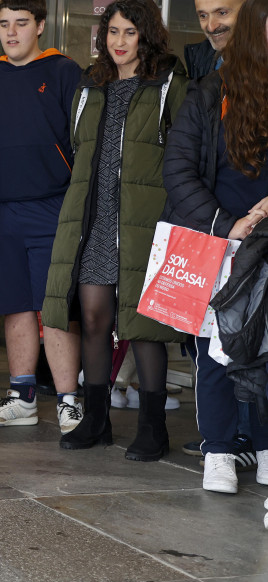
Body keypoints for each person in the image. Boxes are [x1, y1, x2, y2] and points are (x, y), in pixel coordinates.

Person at [42, 0, 189, 461]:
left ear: (147, 36)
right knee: (92, 318)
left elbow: (184, 152)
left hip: (142, 219)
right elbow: (79, 145)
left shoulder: (169, 84)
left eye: (129, 33)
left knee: (142, 323)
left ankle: (152, 428)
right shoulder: (92, 84)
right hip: (94, 216)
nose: (119, 42)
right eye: (113, 33)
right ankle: (97, 419)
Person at [163, 0, 268, 492]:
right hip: (219, 243)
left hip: (266, 238)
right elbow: (178, 171)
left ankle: (265, 449)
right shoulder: (207, 93)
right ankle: (220, 451)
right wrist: (229, 225)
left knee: (265, 352)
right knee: (215, 350)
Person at [0, 0, 83, 434]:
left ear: (40, 25)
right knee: (14, 304)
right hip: (3, 212)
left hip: (55, 207)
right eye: (4, 24)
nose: (11, 33)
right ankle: (22, 396)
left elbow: (84, 143)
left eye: (21, 24)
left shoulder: (64, 72)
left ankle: (70, 401)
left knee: (54, 306)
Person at [185, 0, 244, 79]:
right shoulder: (198, 60)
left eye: (222, 13)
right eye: (203, 16)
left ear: (251, 10)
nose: (211, 27)